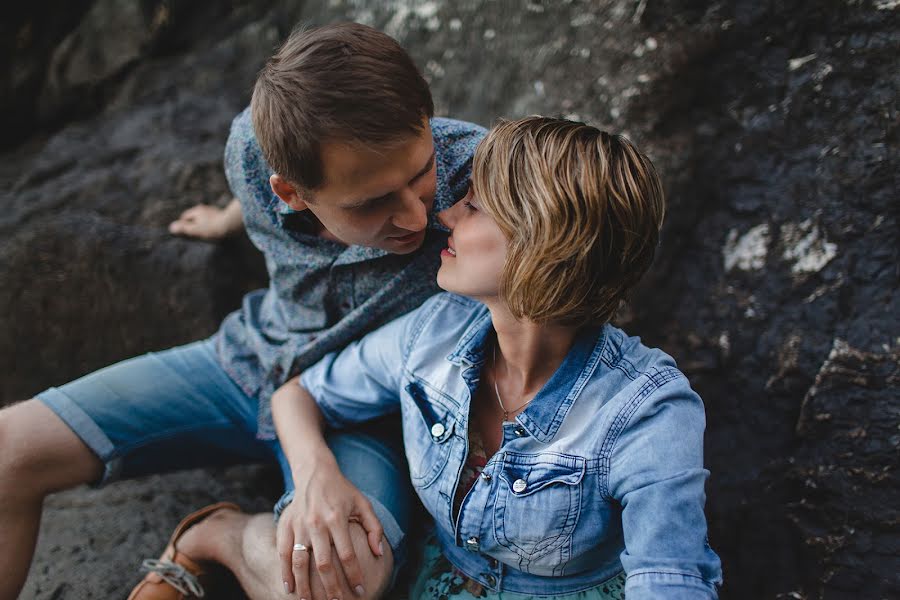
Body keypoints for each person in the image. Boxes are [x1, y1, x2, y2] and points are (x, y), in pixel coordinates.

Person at [0, 23, 485, 600]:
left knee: (342, 585)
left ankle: (221, 535)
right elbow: (253, 173)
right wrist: (228, 220)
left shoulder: (481, 175)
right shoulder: (251, 153)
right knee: (9, 448)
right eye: (373, 202)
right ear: (291, 192)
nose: (412, 217)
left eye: (420, 174)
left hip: (367, 412)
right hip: (249, 361)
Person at [266, 116, 724, 599]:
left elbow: (671, 578)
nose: (444, 216)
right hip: (437, 578)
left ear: (545, 243)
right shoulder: (435, 331)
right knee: (323, 573)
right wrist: (317, 475)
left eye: (475, 206)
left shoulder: (647, 409)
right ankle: (220, 535)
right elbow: (299, 394)